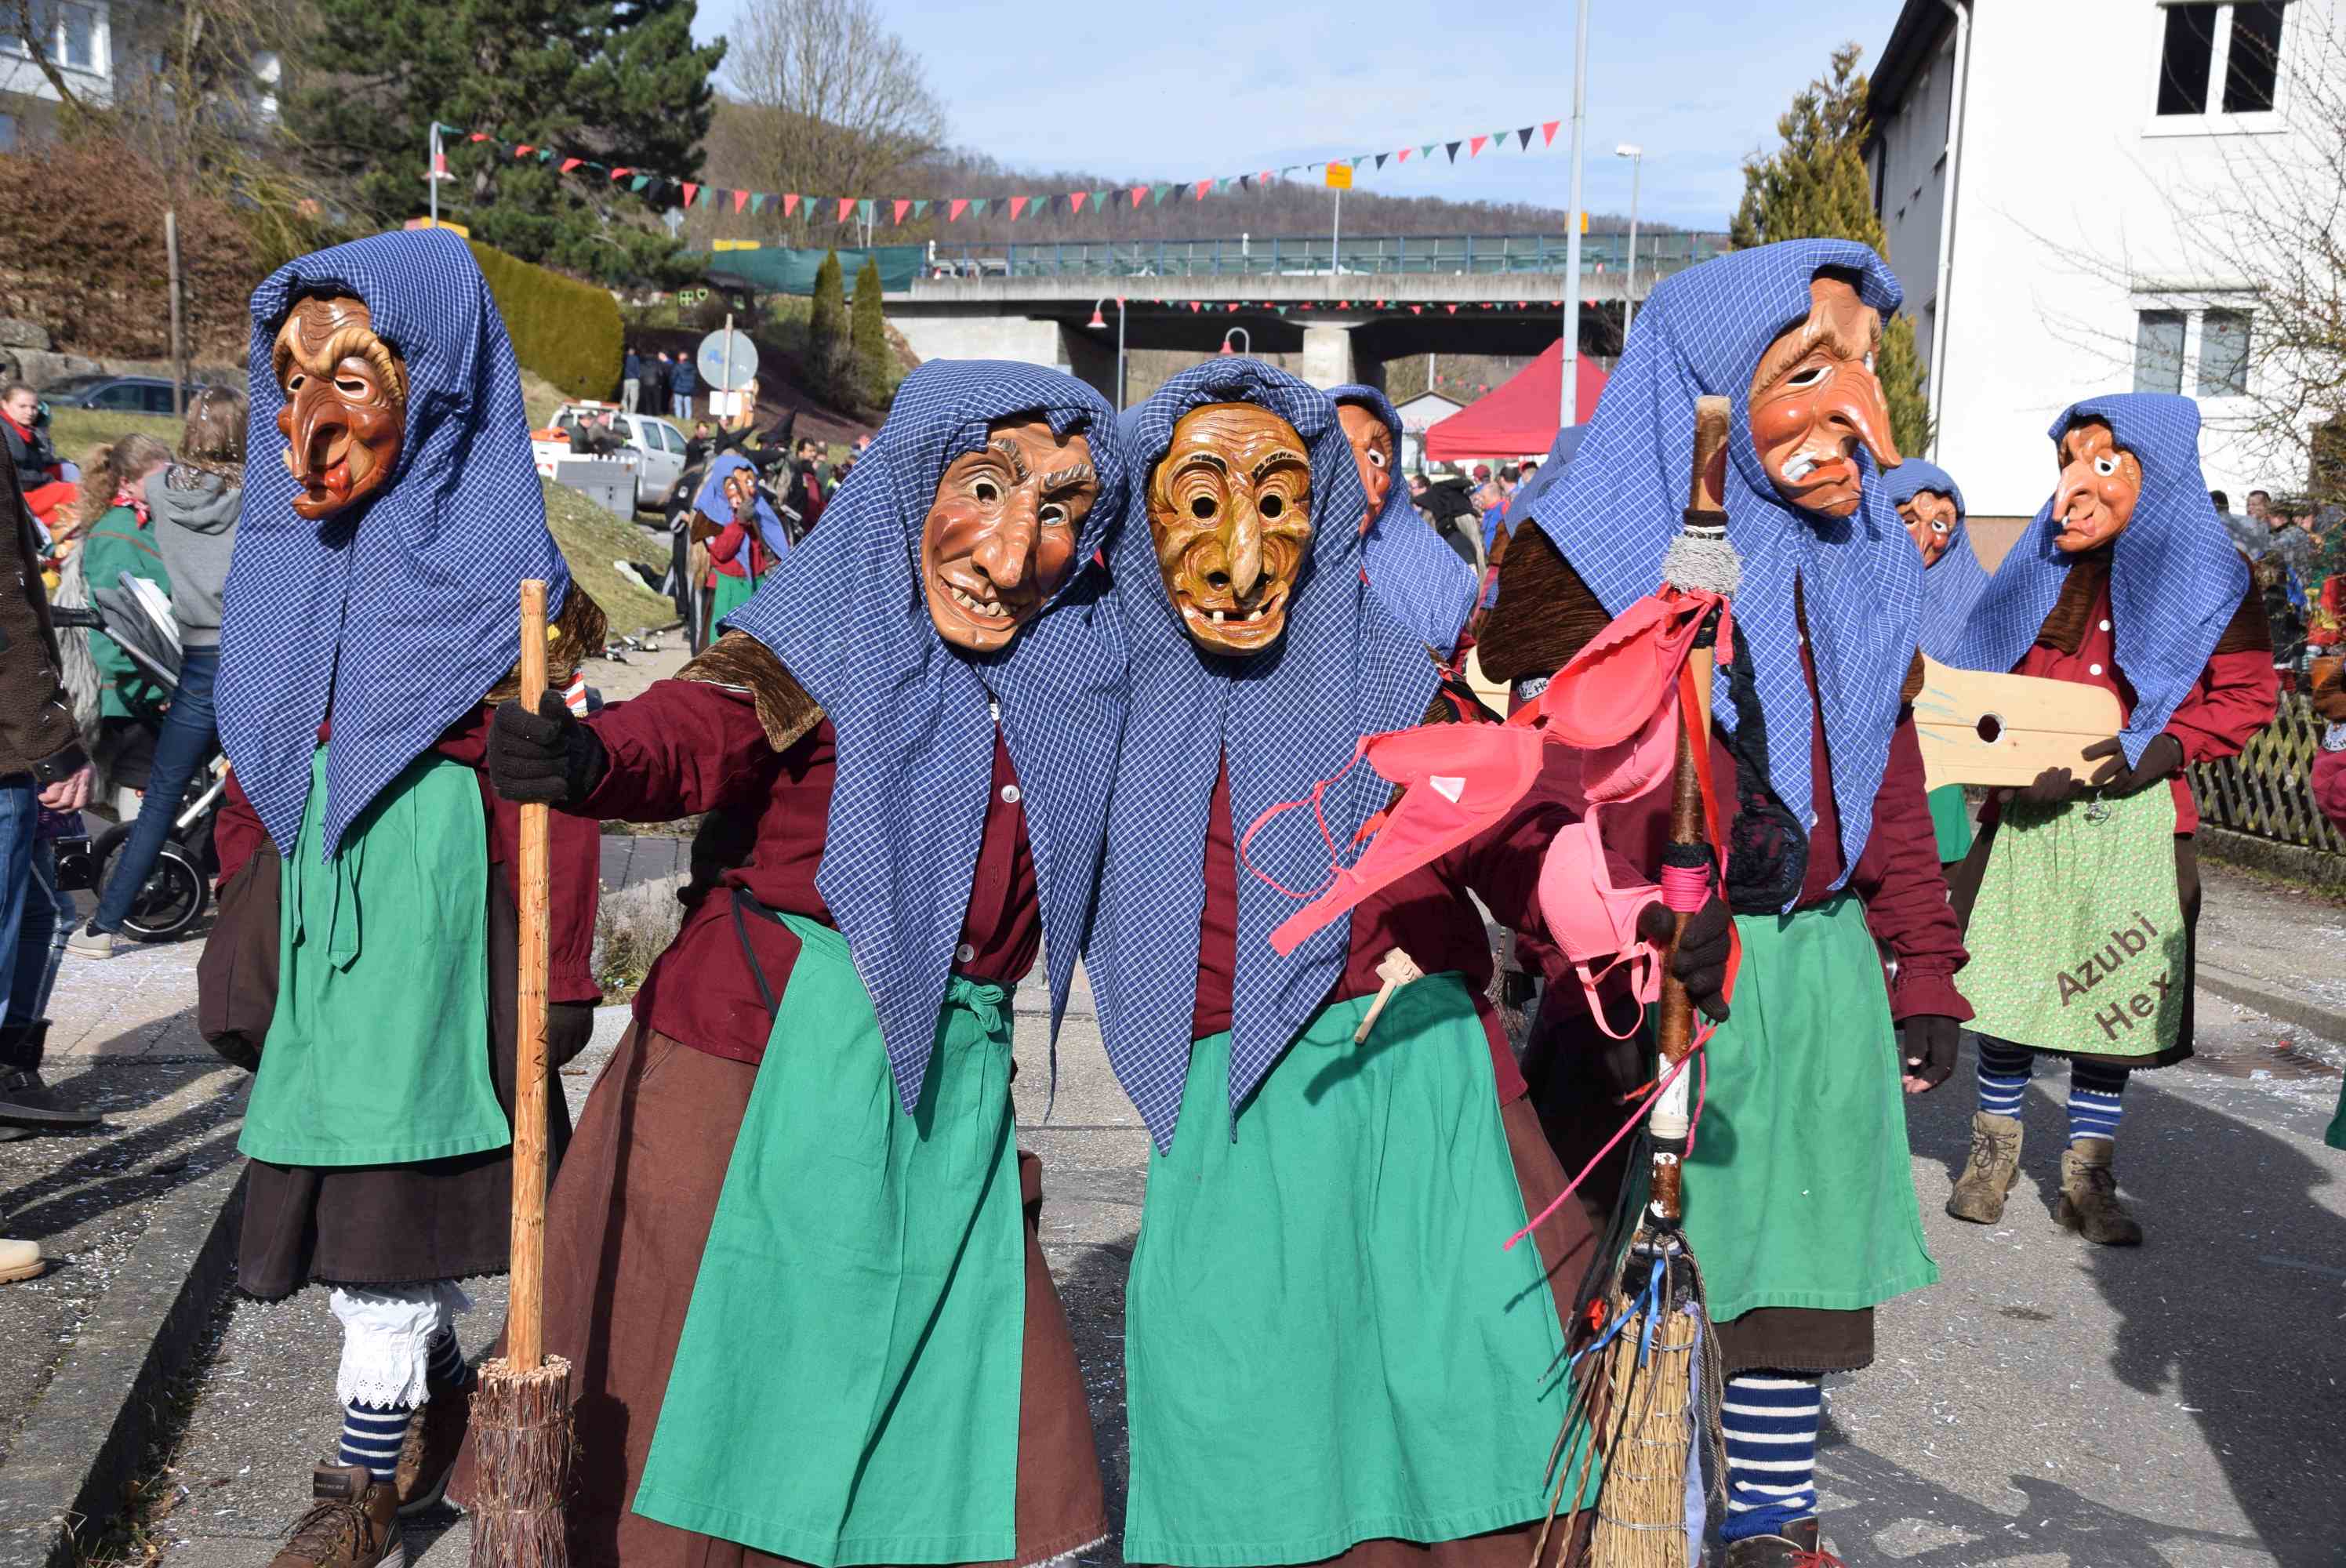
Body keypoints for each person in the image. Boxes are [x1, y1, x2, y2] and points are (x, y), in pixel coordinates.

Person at [456, 361, 1125, 1568]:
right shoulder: (820, 635)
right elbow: (694, 731)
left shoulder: (1085, 664)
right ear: (913, 483)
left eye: (1061, 510)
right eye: (985, 489)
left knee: (940, 1400)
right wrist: (590, 759)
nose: (1014, 548)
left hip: (948, 1086)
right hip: (754, 1058)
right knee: (708, 1382)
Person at [1482, 241, 1966, 1567]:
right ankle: (1627, 1518)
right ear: (1706, 386)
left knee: (1790, 1286)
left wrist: (1922, 963)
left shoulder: (1867, 556)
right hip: (1661, 980)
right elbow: (1534, 794)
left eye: (1864, 369)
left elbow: (1887, 775)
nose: (1856, 410)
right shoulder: (1602, 554)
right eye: (1808, 372)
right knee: (1639, 1276)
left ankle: (1766, 1528)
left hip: (1812, 975)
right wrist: (1620, 927)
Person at [1085, 359, 1607, 1567]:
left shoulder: (1384, 666)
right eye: (1200, 502)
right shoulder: (1100, 678)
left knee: (1456, 1382)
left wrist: (1600, 908)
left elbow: (1499, 816)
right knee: (1244, 1401)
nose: (1241, 557)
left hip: (1409, 1077)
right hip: (1226, 1090)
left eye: (1275, 503)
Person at [205, 230, 608, 1568]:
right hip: (319, 911)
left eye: (352, 383)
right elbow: (262, 739)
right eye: (289, 382)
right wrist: (246, 901)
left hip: (438, 924)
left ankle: (361, 1482)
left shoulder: (504, 580)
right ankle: (431, 1404)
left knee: (387, 1205)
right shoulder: (290, 553)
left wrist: (555, 976)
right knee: (360, 1192)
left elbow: (549, 791)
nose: (306, 428)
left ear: (433, 384)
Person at [1941, 394, 2276, 1248]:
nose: (2071, 489)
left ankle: (2086, 1177)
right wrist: (2009, 757)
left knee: (2112, 1003)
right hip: (2031, 815)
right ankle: (1992, 1155)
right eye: (2066, 463)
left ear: (2153, 473)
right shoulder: (2038, 563)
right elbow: (1981, 677)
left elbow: (2247, 695)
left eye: (2099, 464)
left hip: (2140, 823)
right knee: (2006, 986)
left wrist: (2162, 748)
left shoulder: (2212, 578)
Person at [68, 391, 244, 960]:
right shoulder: (256, 494)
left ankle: (103, 927)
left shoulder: (165, 491)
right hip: (250, 655)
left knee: (163, 795)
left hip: (194, 657)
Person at [0, 441, 98, 1173]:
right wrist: (51, 739)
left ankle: (14, 1070)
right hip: (9, 750)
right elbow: (6, 604)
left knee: (47, 913)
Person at [1885, 456, 1991, 867]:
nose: (1923, 539)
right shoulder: (1851, 579)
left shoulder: (1969, 593)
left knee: (1935, 863)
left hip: (1938, 749)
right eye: (1908, 520)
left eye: (1940, 526)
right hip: (1868, 753)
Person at [65, 435, 176, 793]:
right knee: (141, 795)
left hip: (163, 687)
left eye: (171, 476)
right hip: (136, 696)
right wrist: (157, 685)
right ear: (126, 483)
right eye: (158, 480)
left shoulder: (157, 524)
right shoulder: (116, 534)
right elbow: (112, 627)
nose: (168, 487)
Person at [0, 383, 74, 528]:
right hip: (14, 499)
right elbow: (11, 475)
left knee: (68, 469)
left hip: (27, 486)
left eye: (34, 407)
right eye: (22, 406)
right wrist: (48, 480)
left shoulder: (24, 429)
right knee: (74, 492)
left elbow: (37, 461)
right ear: (5, 405)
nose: (30, 412)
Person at [670, 347, 698, 423]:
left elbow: (673, 377)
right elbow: (695, 378)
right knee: (688, 406)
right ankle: (688, 420)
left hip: (678, 389)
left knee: (678, 406)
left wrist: (672, 386)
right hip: (689, 390)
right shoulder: (692, 367)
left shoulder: (678, 366)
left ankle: (679, 420)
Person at [622, 344, 645, 413]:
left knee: (624, 397)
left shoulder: (625, 359)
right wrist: (639, 376)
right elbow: (638, 369)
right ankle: (631, 413)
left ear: (628, 352)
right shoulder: (636, 359)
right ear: (634, 352)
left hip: (626, 380)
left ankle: (625, 411)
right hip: (634, 379)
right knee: (634, 398)